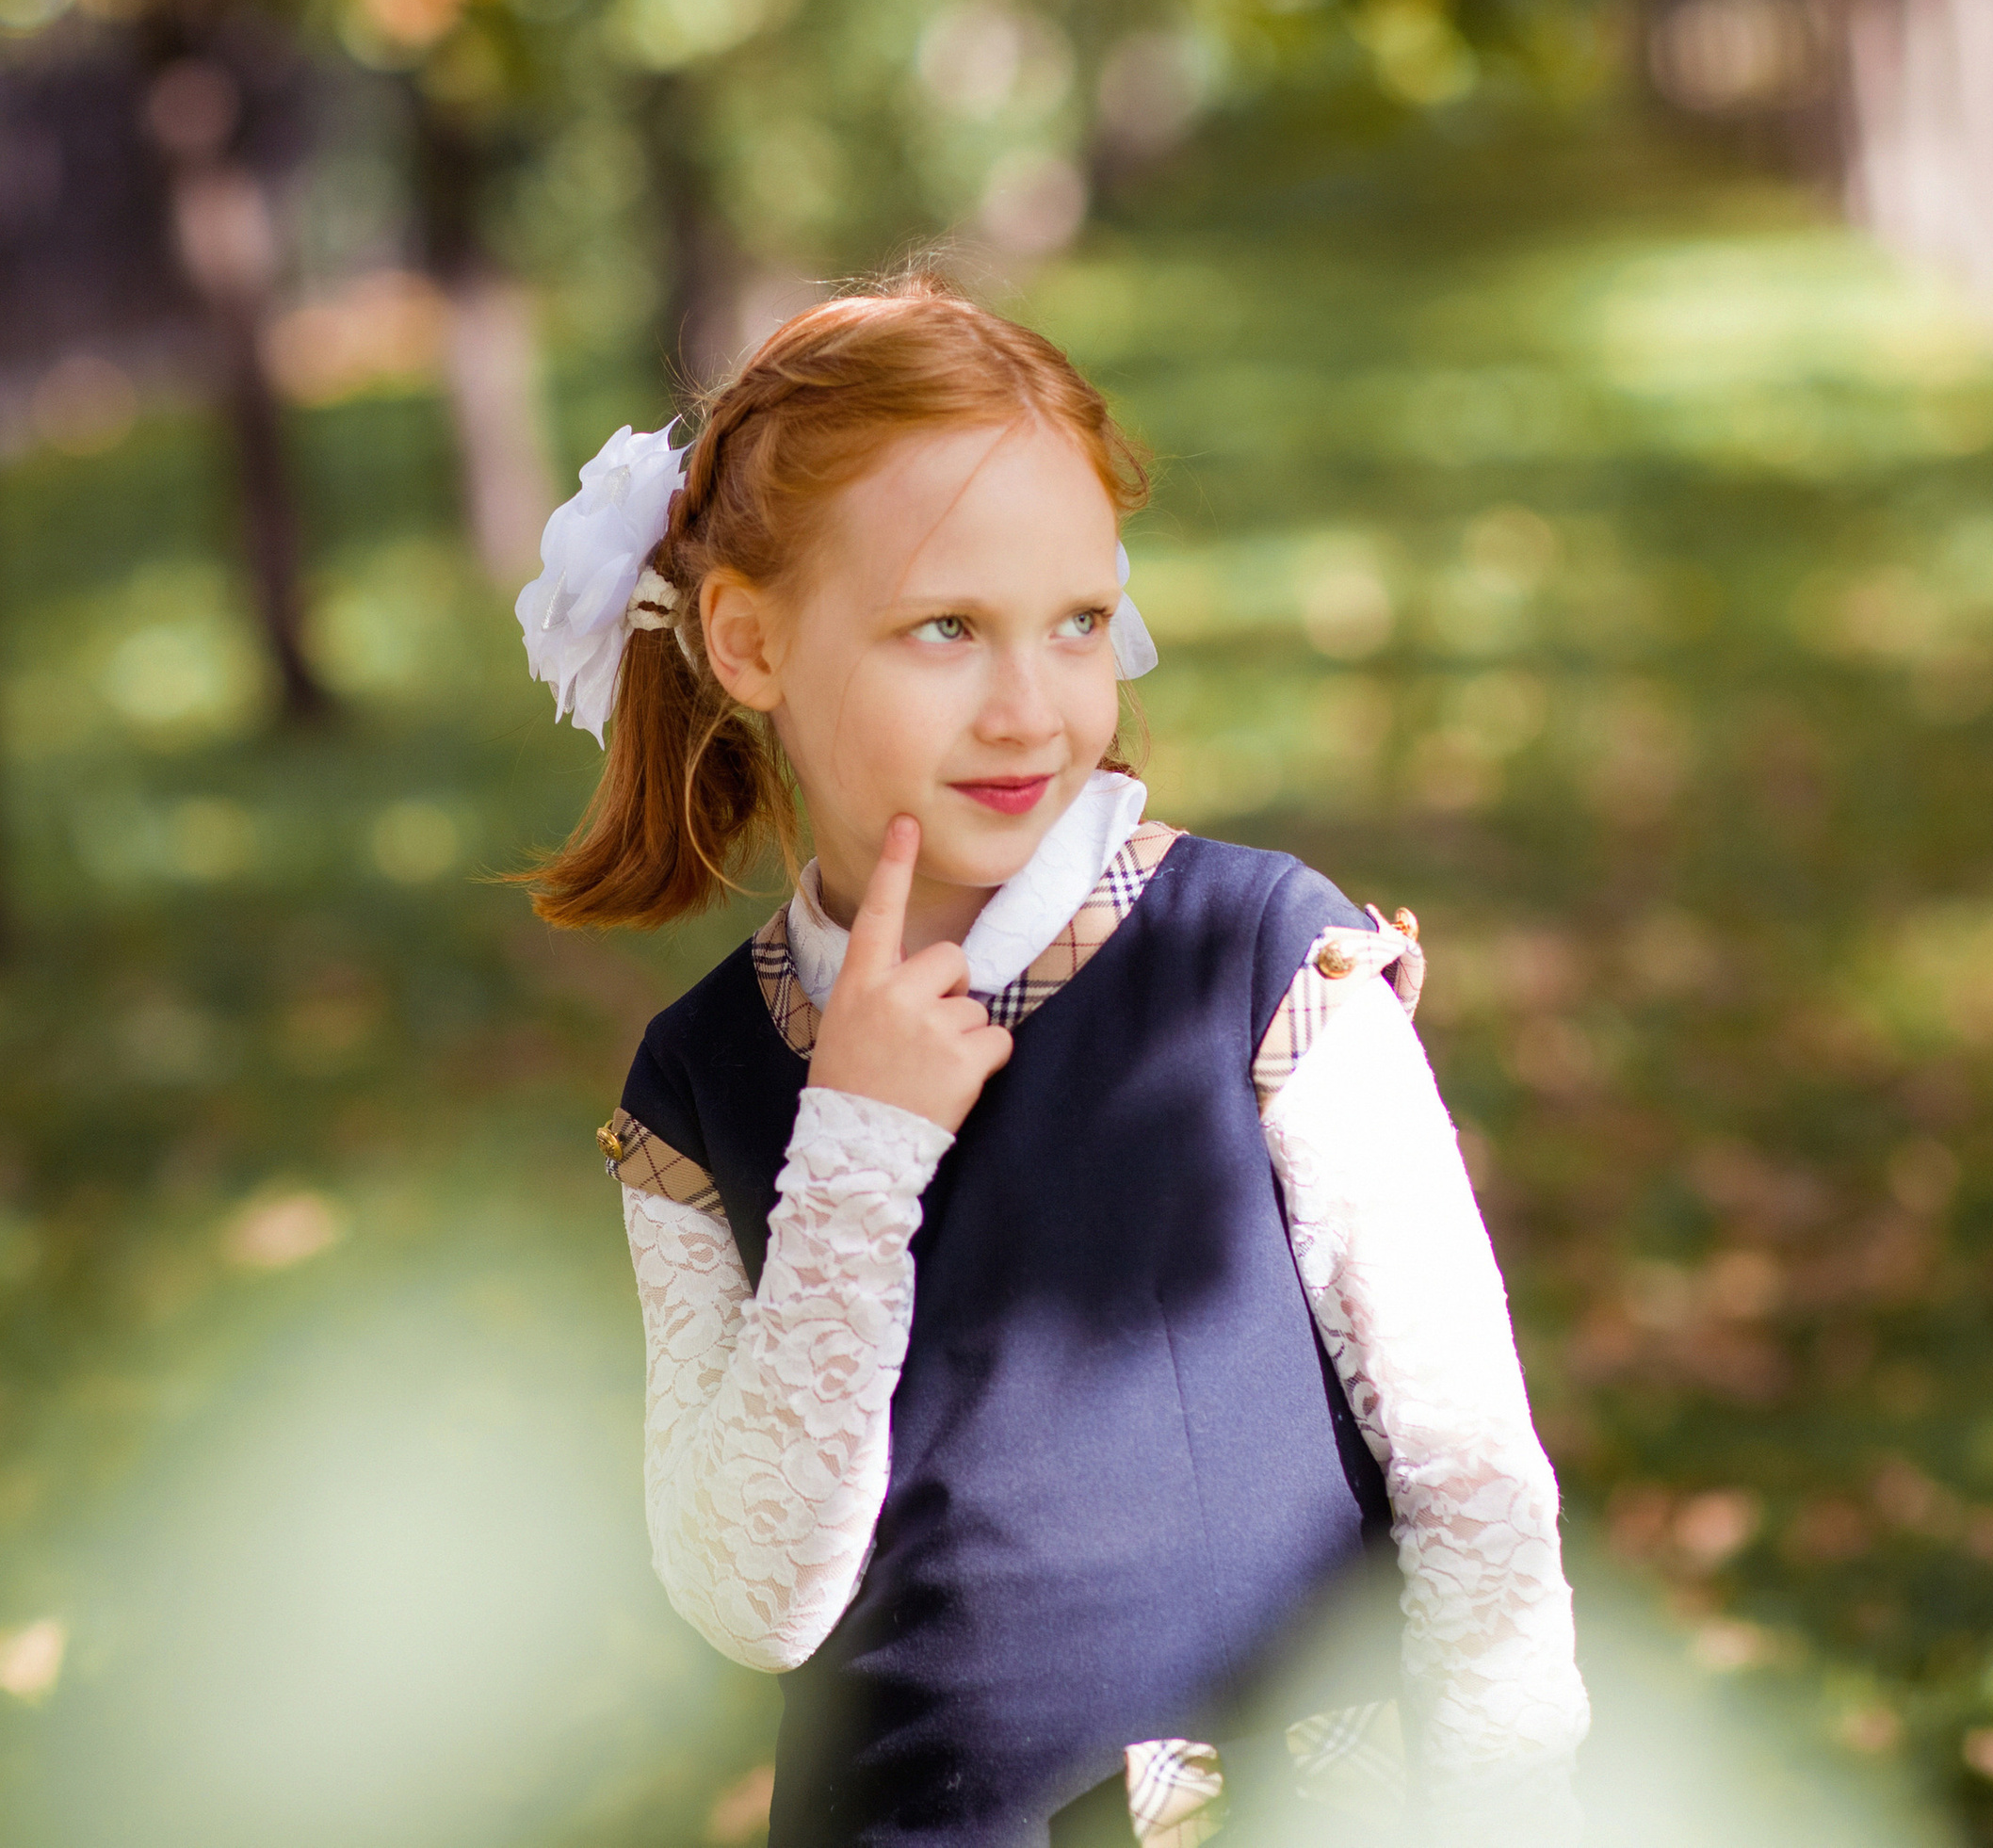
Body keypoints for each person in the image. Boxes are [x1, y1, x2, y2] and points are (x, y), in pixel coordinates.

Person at [515, 278, 1589, 1847]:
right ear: (748, 640)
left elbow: (1471, 1469)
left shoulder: (1257, 960)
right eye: (946, 628)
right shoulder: (701, 1082)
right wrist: (858, 1153)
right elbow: (752, 1596)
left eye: (1077, 622)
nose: (1032, 709)